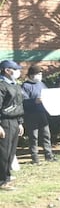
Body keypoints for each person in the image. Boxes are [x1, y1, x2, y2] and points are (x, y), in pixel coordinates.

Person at [21, 65, 56, 164]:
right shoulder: (25, 86)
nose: (40, 76)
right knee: (33, 136)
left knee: (46, 134)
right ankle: (35, 157)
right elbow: (23, 101)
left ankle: (48, 155)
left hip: (42, 113)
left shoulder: (41, 84)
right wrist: (34, 101)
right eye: (38, 74)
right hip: (31, 115)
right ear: (31, 75)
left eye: (41, 74)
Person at [0, 60, 25, 190]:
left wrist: (20, 122)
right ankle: (2, 181)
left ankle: (6, 175)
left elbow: (19, 104)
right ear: (7, 70)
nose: (17, 72)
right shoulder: (2, 85)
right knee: (3, 151)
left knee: (11, 151)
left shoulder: (15, 85)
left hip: (15, 121)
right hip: (5, 121)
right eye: (14, 69)